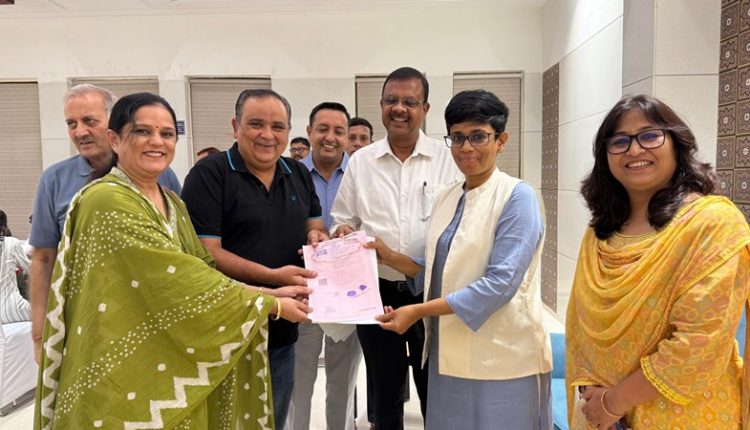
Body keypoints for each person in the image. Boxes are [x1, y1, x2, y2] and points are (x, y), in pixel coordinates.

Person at [33, 92, 311, 429]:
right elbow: (179, 280)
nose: (157, 142)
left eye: (166, 133)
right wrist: (271, 301)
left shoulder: (172, 203)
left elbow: (203, 270)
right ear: (115, 139)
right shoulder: (105, 200)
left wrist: (273, 294)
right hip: (122, 359)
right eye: (142, 131)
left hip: (169, 351)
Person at [367, 89, 552, 429]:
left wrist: (417, 311)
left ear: (501, 140)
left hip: (501, 356)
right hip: (448, 352)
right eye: (457, 137)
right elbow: (437, 270)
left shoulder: (517, 197)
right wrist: (388, 256)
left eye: (478, 136)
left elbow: (499, 285)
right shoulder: (448, 197)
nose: (466, 147)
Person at [566, 94, 750, 429]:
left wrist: (614, 401)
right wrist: (597, 398)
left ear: (677, 144)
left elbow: (698, 344)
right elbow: (581, 328)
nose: (634, 150)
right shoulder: (601, 231)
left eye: (649, 136)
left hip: (684, 414)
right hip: (602, 414)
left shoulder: (712, 224)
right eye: (619, 141)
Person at [181, 89, 328, 427]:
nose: (267, 135)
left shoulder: (298, 173)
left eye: (278, 127)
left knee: (273, 419)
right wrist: (275, 278)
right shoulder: (209, 175)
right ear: (236, 126)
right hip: (226, 332)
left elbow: (315, 225)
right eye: (256, 124)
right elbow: (207, 253)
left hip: (282, 333)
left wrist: (318, 238)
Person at [330, 66, 462, 429]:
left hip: (432, 293)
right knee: (384, 388)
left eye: (410, 102)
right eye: (392, 100)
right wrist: (342, 231)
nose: (399, 108)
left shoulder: (448, 159)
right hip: (376, 292)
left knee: (435, 387)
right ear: (381, 105)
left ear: (426, 109)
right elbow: (342, 218)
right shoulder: (361, 162)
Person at [28, 84, 182, 361]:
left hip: (151, 317)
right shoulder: (54, 180)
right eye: (71, 124)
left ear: (114, 125)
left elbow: (180, 249)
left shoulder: (161, 174)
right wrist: (39, 333)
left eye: (89, 121)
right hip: (86, 321)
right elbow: (43, 258)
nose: (80, 132)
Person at [287, 102, 361, 430]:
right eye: (323, 129)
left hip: (349, 296)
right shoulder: (288, 174)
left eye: (338, 131)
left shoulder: (362, 174)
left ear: (347, 136)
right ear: (309, 132)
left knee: (343, 382)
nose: (330, 137)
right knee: (298, 383)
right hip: (303, 291)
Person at [0, 209, 31, 324]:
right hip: (10, 309)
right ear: (4, 227)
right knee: (51, 314)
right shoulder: (11, 243)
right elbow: (30, 270)